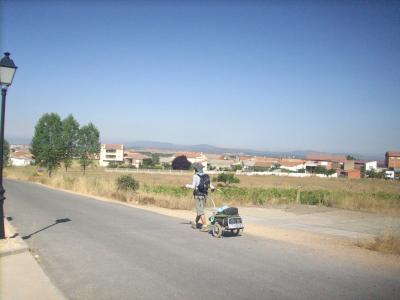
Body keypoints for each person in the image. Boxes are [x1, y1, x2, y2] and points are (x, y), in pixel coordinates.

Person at [184, 163, 215, 232]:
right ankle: (195, 223)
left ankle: (205, 225)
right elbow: (211, 186)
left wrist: (186, 185)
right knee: (200, 210)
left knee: (200, 211)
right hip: (205, 196)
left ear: (196, 169)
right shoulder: (207, 176)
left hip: (198, 196)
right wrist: (213, 188)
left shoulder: (195, 176)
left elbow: (193, 186)